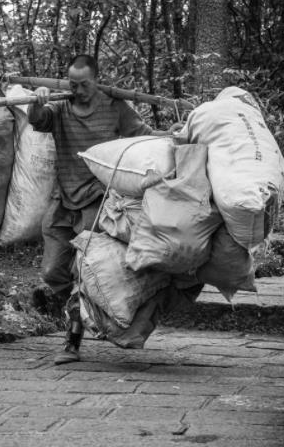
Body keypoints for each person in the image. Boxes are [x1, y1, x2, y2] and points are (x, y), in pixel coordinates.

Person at [28, 54, 176, 365]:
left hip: (98, 203)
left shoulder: (114, 107)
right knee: (52, 270)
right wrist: (36, 104)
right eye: (72, 84)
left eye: (83, 85)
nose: (77, 90)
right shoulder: (60, 106)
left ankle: (72, 341)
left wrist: (174, 136)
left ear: (96, 80)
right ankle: (82, 311)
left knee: (83, 271)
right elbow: (38, 121)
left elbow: (143, 135)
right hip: (61, 200)